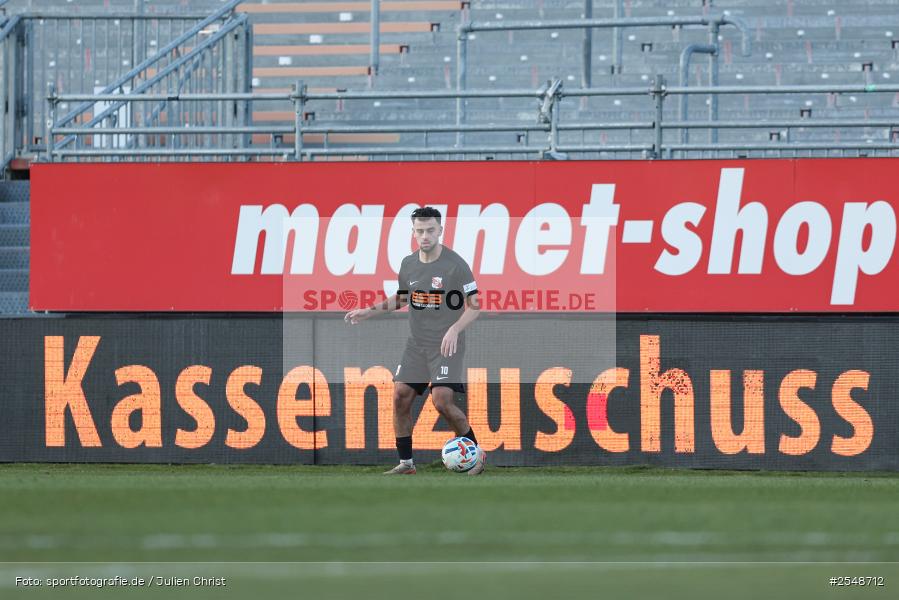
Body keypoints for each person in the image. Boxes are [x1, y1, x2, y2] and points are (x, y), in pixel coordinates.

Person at [344, 206, 484, 475]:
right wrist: (368, 311)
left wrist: (455, 328)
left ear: (440, 230)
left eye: (430, 230)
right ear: (413, 233)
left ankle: (476, 456)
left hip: (446, 344)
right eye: (419, 231)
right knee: (400, 396)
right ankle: (406, 463)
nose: (425, 236)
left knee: (441, 401)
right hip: (416, 344)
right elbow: (402, 298)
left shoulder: (456, 264)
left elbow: (475, 305)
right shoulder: (409, 264)